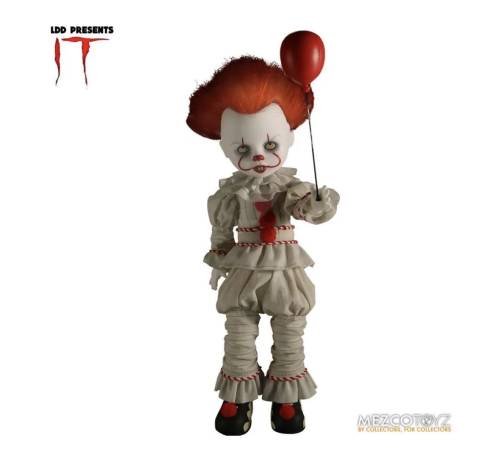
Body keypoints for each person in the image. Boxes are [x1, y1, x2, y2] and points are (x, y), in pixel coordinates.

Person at [186, 56, 340, 435]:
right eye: (243, 149)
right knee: (238, 330)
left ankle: (287, 395)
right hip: (244, 268)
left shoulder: (289, 188)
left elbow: (304, 208)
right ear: (225, 149)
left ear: (288, 139)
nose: (257, 155)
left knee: (290, 331)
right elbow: (221, 231)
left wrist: (317, 205)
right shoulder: (229, 195)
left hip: (284, 270)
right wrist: (219, 259)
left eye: (270, 144)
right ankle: (238, 396)